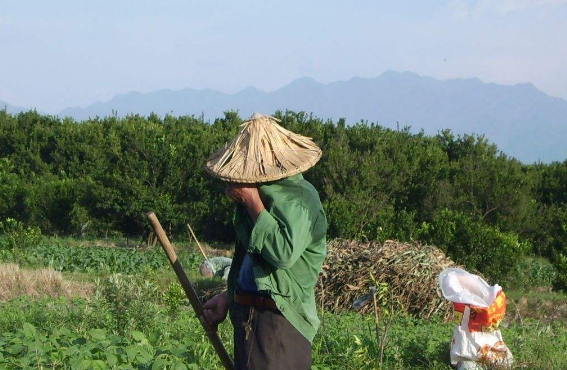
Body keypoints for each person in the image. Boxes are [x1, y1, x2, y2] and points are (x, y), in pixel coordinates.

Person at [201, 113, 327, 370]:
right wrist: (230, 296)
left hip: (278, 323)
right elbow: (257, 265)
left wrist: (253, 203)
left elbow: (282, 254)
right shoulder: (261, 198)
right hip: (251, 319)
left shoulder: (298, 199)